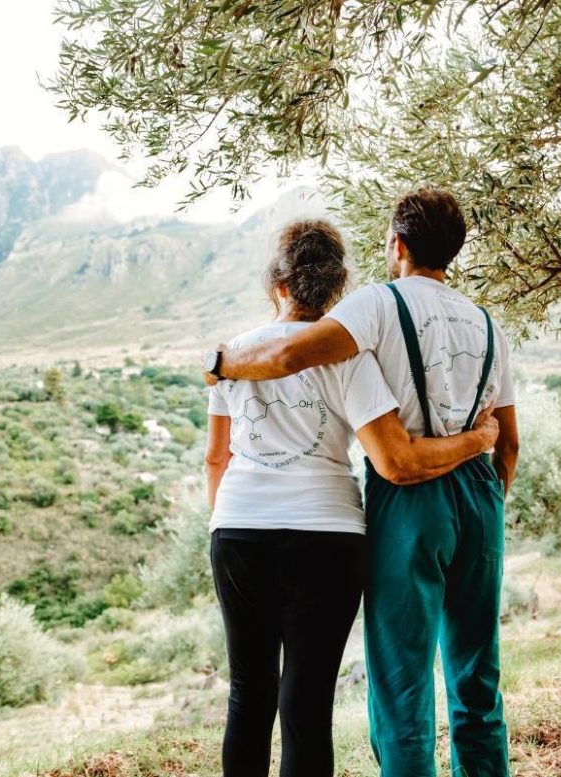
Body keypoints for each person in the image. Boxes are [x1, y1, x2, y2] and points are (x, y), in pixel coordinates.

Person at [204, 218, 501, 777]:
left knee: (248, 691)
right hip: (327, 534)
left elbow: (216, 458)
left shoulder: (229, 355)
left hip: (239, 528)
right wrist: (479, 440)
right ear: (338, 288)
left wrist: (224, 520)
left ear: (278, 285)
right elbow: (387, 452)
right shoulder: (351, 359)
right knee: (308, 700)